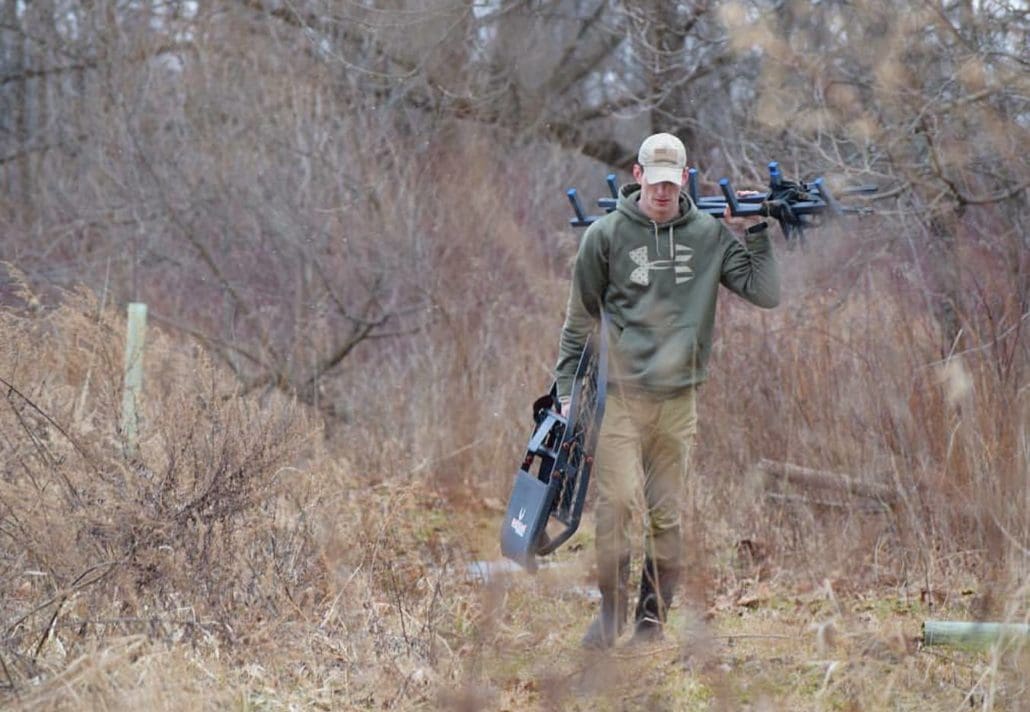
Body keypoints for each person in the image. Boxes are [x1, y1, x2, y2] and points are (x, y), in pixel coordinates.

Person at [554, 132, 780, 649]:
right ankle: (610, 617)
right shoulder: (605, 236)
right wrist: (566, 387)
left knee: (666, 512)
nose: (661, 191)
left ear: (683, 178)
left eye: (670, 182)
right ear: (638, 176)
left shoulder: (708, 236)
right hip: (620, 399)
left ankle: (650, 625)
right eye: (652, 181)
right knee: (616, 506)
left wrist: (756, 230)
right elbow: (579, 320)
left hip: (678, 400)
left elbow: (765, 294)